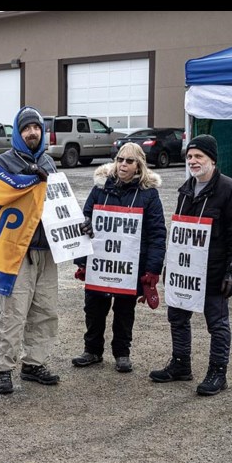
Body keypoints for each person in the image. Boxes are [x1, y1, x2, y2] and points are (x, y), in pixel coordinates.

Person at [150, 134, 232, 396]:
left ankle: (218, 372)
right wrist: (171, 265)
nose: (193, 161)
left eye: (199, 156)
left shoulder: (230, 190)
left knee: (217, 323)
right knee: (177, 317)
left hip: (214, 271)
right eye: (190, 156)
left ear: (212, 160)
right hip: (185, 272)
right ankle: (181, 364)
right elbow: (179, 232)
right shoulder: (186, 189)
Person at [71, 142, 166, 373]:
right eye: (120, 159)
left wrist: (152, 271)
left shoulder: (149, 195)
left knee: (124, 311)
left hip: (131, 265)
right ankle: (92, 350)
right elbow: (85, 221)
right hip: (100, 263)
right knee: (94, 309)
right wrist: (82, 261)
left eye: (129, 161)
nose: (123, 164)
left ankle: (122, 353)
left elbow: (157, 234)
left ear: (139, 166)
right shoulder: (100, 188)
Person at [0, 106, 60, 395]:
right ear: (17, 133)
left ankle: (34, 362)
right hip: (18, 251)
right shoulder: (5, 162)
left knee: (45, 310)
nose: (32, 132)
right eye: (26, 128)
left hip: (48, 250)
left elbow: (60, 202)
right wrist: (28, 179)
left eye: (36, 128)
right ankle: (3, 367)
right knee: (13, 312)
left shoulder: (49, 162)